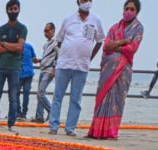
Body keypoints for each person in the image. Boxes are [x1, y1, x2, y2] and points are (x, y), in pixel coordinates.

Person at [86, 0, 144, 139]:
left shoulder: (138, 28)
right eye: (126, 8)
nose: (128, 11)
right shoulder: (114, 28)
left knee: (117, 101)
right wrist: (122, 42)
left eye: (132, 9)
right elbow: (106, 46)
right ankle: (96, 131)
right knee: (102, 98)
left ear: (136, 12)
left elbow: (133, 48)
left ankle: (110, 132)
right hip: (108, 70)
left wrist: (115, 46)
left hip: (123, 71)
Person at [49, 1, 106, 136]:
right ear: (78, 2)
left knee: (76, 99)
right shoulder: (68, 19)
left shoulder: (96, 20)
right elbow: (59, 40)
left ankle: (70, 128)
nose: (86, 2)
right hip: (64, 65)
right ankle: (53, 126)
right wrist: (63, 55)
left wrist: (89, 57)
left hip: (82, 67)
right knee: (57, 96)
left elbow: (99, 41)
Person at [0, 0, 27, 131]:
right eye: (10, 9)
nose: (13, 11)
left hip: (14, 68)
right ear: (6, 11)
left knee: (13, 97)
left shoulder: (22, 28)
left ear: (19, 10)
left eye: (15, 9)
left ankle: (11, 124)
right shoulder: (1, 29)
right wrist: (12, 46)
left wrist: (4, 44)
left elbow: (20, 47)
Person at [33, 22, 57, 122]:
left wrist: (54, 68)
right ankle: (39, 116)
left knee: (40, 93)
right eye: (44, 31)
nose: (45, 33)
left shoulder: (56, 43)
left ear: (53, 31)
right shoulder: (46, 44)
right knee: (39, 93)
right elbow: (47, 57)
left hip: (48, 70)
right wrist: (39, 60)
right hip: (43, 70)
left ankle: (52, 112)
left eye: (47, 30)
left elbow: (59, 56)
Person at [18, 37, 35, 119]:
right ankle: (23, 113)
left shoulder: (18, 47)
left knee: (16, 93)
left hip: (23, 73)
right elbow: (34, 58)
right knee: (26, 93)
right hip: (26, 72)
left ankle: (19, 112)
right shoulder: (29, 46)